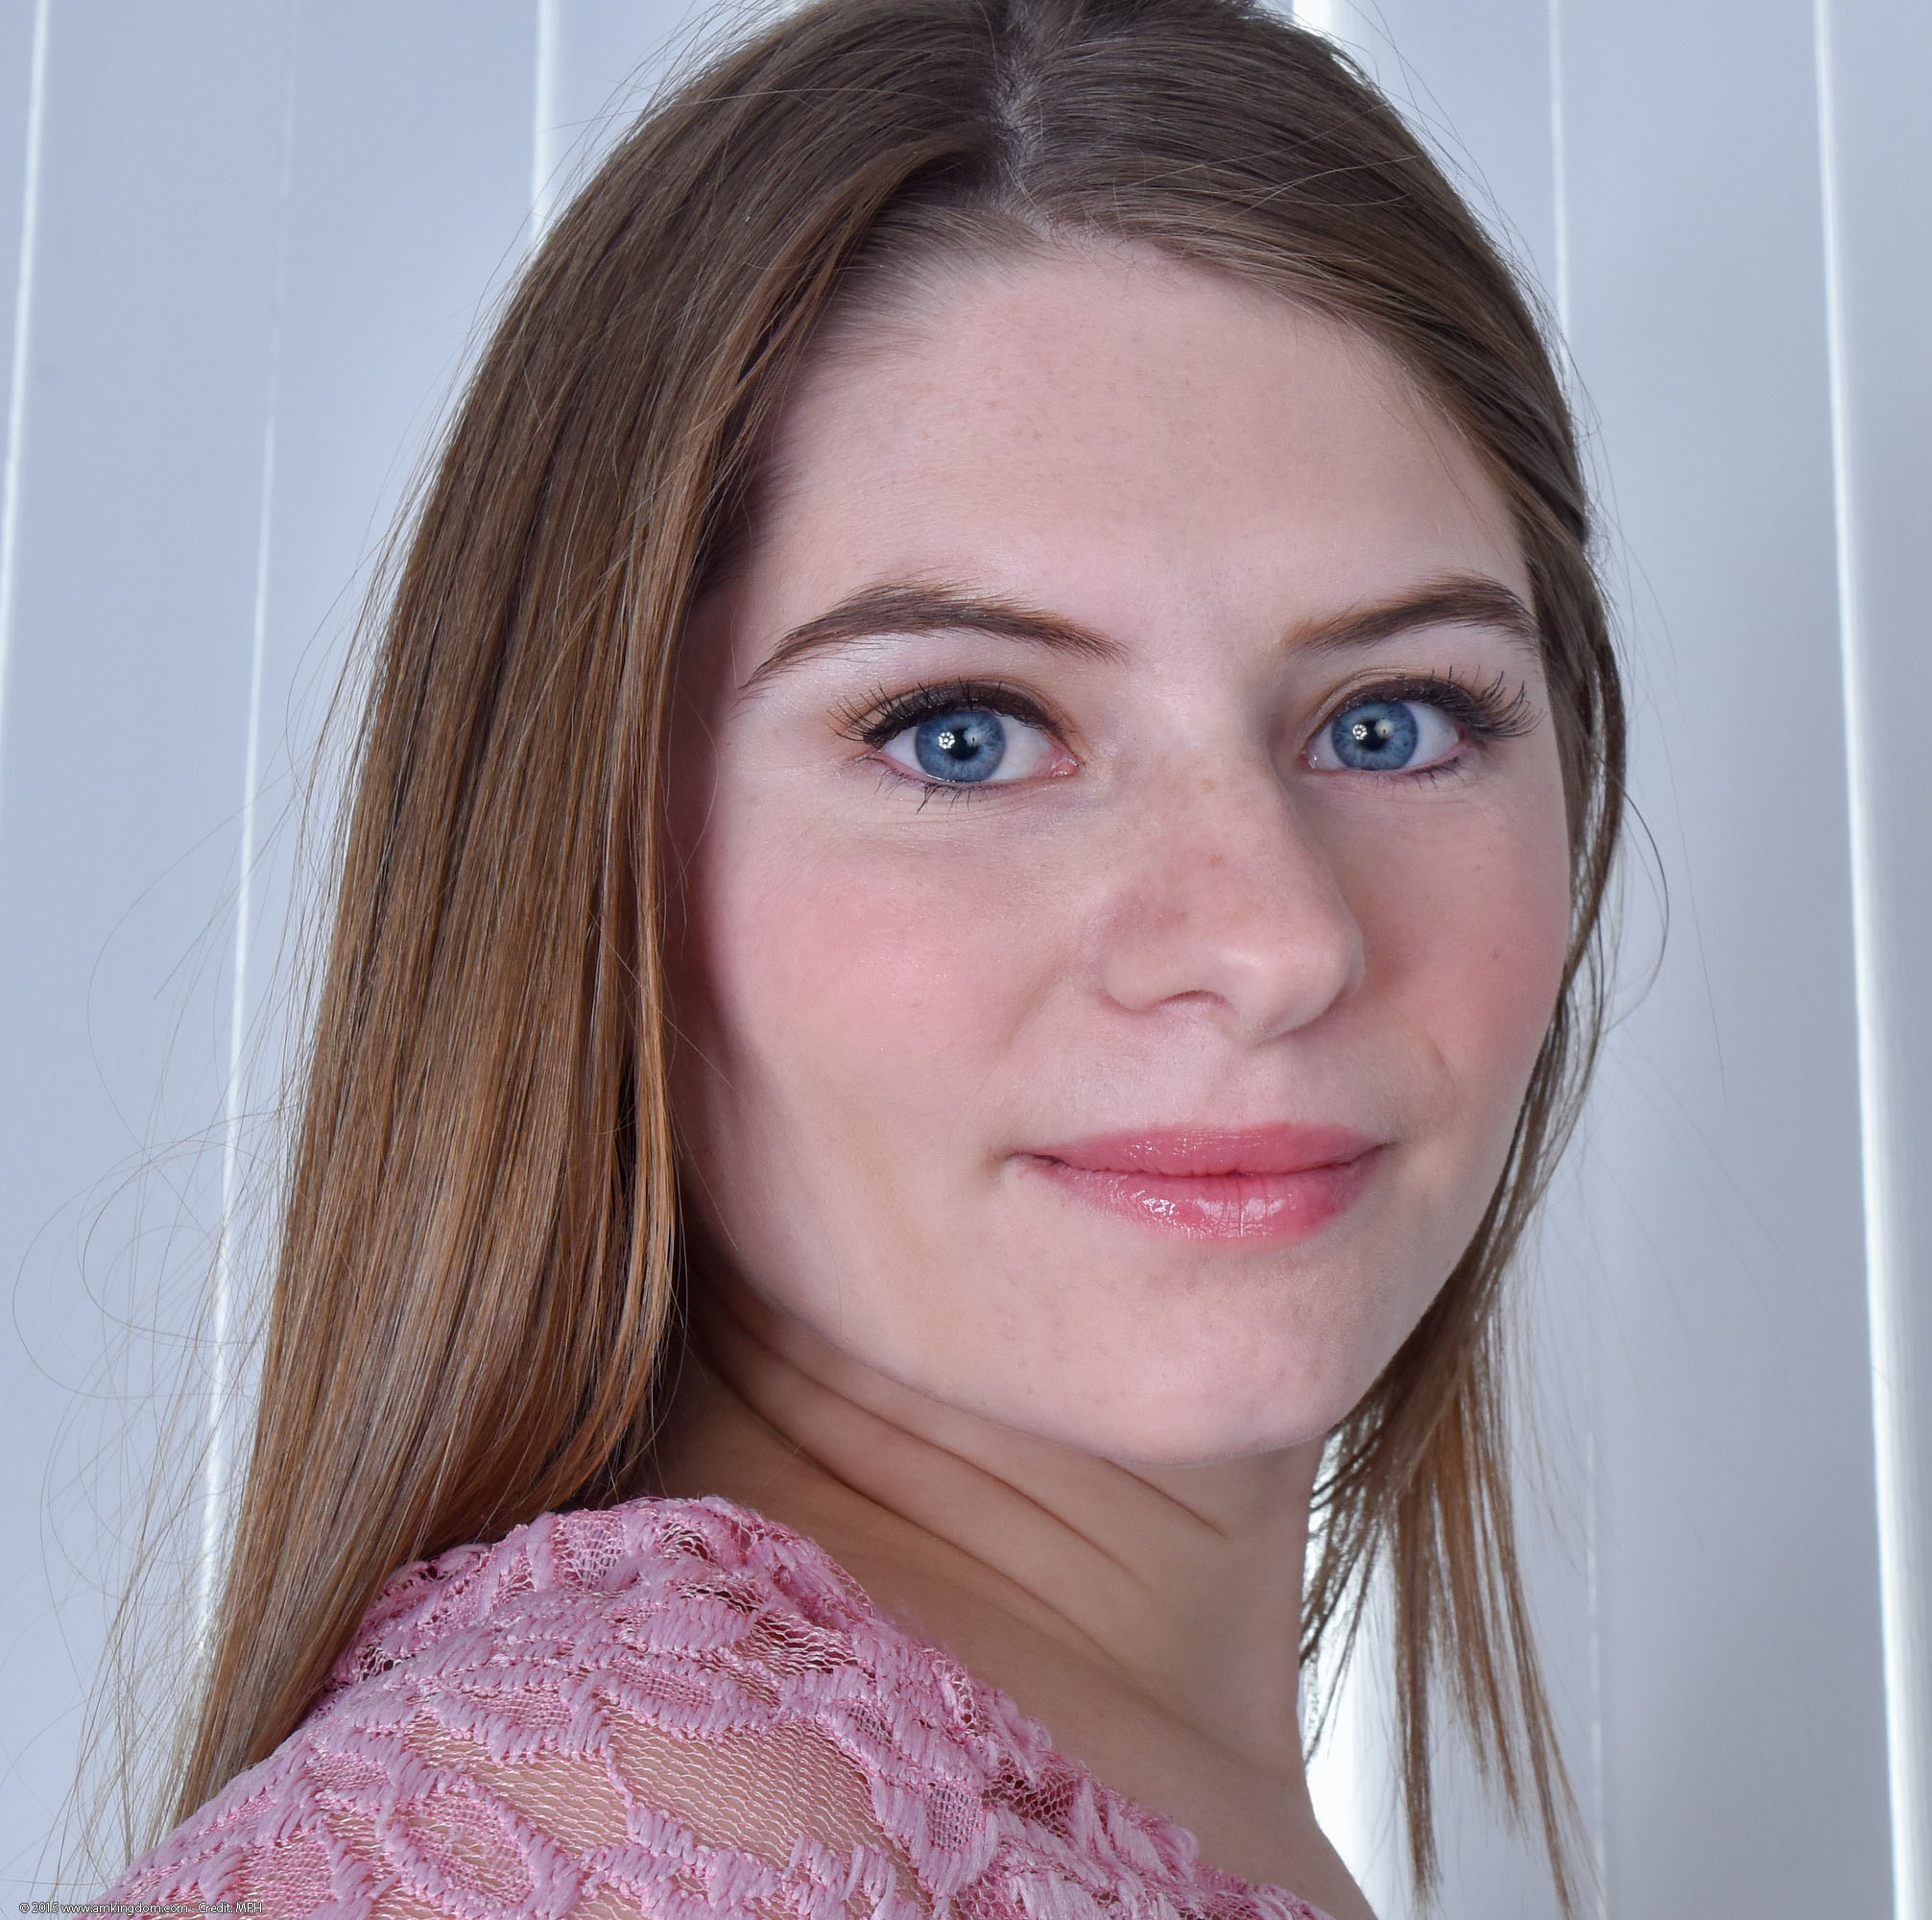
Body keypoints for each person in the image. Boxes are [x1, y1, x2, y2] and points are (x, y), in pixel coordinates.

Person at [102, 2, 1625, 1915]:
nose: (1274, 939)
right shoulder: (616, 1841)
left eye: (1393, 720)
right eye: (963, 734)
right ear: (597, 849)